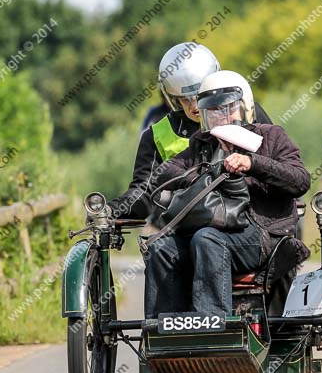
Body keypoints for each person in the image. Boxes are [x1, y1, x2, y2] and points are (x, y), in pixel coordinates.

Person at [143, 70, 310, 318]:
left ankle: (212, 327)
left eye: (229, 108)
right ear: (204, 115)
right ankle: (164, 336)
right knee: (162, 248)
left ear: (246, 107)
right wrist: (202, 173)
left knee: (206, 238)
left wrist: (253, 164)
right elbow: (164, 173)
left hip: (263, 236)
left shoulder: (271, 136)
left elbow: (300, 179)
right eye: (214, 110)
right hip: (209, 235)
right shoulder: (201, 144)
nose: (223, 116)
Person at [108, 42, 272, 219]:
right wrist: (111, 209)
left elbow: (279, 164)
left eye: (199, 96)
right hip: (190, 225)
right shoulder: (155, 135)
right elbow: (144, 192)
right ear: (173, 99)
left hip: (253, 217)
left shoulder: (245, 111)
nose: (194, 106)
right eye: (185, 100)